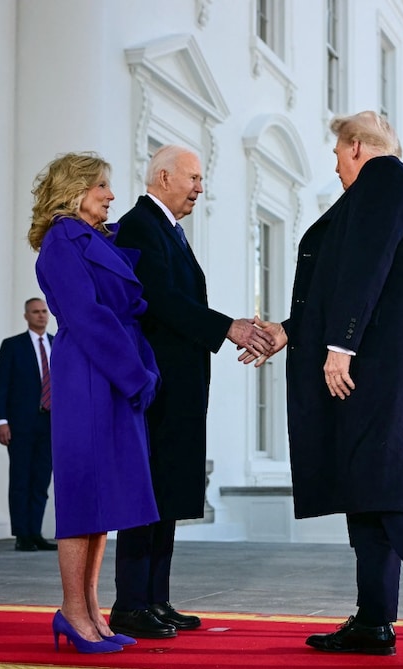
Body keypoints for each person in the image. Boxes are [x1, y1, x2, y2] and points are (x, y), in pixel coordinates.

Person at [242, 111, 403, 669]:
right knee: (367, 496)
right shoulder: (393, 191)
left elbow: (367, 267)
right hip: (385, 375)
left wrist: (340, 345)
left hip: (389, 377)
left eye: (338, 155)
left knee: (392, 496)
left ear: (356, 147)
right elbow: (348, 283)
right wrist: (288, 332)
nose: (337, 167)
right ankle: (373, 620)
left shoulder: (383, 177)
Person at [109, 145, 273, 639]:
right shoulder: (140, 225)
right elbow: (161, 299)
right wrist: (229, 328)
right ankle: (130, 604)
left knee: (168, 493)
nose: (200, 188)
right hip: (155, 385)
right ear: (163, 177)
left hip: (178, 385)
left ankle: (155, 599)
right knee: (148, 494)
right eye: (194, 178)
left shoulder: (168, 230)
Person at [31, 152, 161, 654]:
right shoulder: (62, 238)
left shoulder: (94, 238)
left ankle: (91, 611)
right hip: (90, 370)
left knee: (105, 496)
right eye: (102, 185)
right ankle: (72, 611)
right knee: (84, 495)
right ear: (75, 189)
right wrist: (134, 374)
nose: (111, 195)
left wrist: (141, 370)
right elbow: (87, 316)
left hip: (111, 369)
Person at [0, 297, 59, 552]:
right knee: (21, 478)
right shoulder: (13, 346)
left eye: (44, 311)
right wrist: (1, 421)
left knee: (41, 479)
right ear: (26, 316)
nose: (41, 315)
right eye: (35, 312)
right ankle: (22, 534)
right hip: (21, 424)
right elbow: (1, 385)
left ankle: (35, 532)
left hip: (50, 423)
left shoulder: (57, 344)